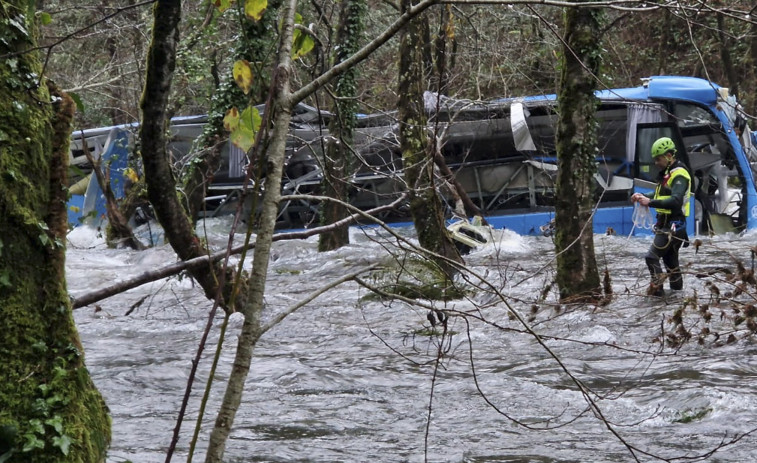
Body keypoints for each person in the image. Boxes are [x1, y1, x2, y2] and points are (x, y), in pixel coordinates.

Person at [630, 137, 691, 297]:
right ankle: (678, 298)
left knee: (651, 257)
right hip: (668, 225)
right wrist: (642, 196)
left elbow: (676, 200)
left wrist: (649, 202)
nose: (656, 162)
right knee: (671, 264)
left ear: (669, 156)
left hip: (673, 226)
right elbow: (660, 194)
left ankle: (657, 294)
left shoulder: (679, 175)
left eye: (659, 158)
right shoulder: (667, 173)